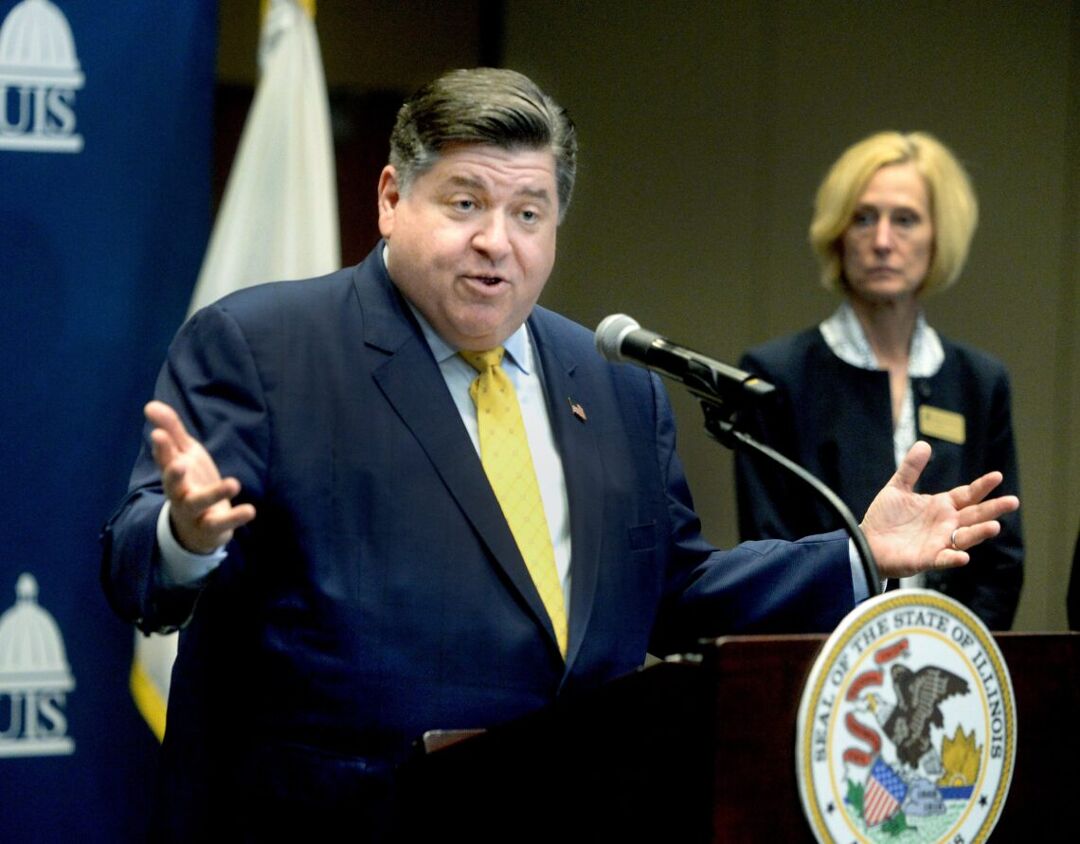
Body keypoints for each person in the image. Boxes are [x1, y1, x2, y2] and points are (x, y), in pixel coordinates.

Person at [101, 73, 1018, 839]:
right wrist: (187, 536)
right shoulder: (265, 346)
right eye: (465, 204)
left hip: (571, 811)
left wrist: (857, 556)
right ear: (390, 198)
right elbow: (136, 565)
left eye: (528, 212)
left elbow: (669, 594)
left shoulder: (610, 378)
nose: (497, 241)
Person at [735, 131, 1023, 629]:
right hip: (823, 663)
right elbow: (770, 552)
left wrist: (952, 652)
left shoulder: (980, 382)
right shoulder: (777, 376)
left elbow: (1000, 559)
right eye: (864, 218)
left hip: (947, 660)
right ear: (838, 235)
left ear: (939, 238)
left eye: (906, 220)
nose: (883, 240)